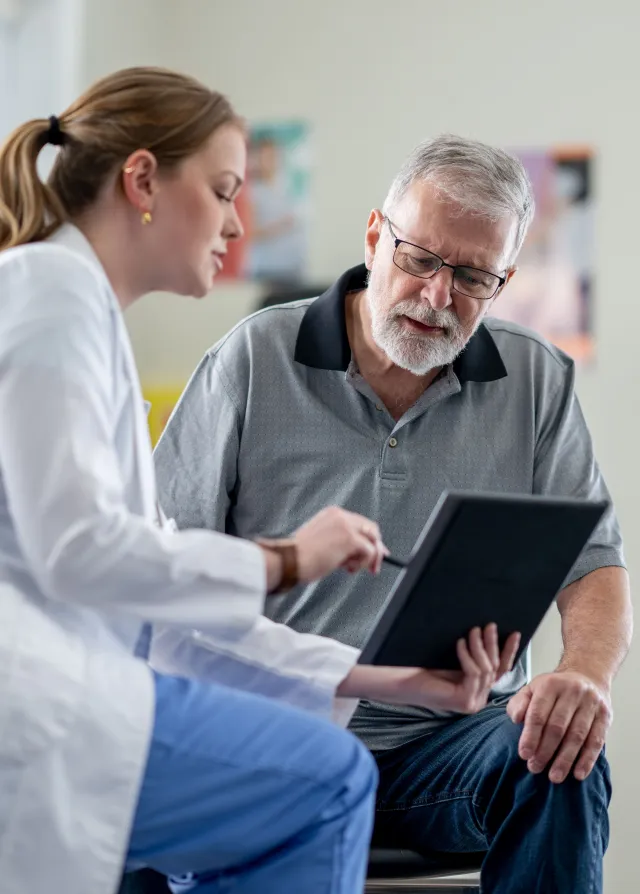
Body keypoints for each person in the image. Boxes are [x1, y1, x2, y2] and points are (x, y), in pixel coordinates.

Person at [0, 71, 519, 894]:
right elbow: (80, 554)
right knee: (327, 781)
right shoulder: (51, 298)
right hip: (44, 708)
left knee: (311, 784)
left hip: (91, 698)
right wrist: (284, 560)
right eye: (222, 190)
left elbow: (165, 603)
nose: (239, 223)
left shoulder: (79, 311)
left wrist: (384, 679)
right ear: (142, 182)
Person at [155, 134, 632, 894]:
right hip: (284, 736)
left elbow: (594, 564)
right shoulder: (252, 360)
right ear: (376, 237)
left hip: (450, 747)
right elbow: (164, 576)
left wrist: (583, 677)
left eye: (473, 276)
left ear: (503, 280)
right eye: (421, 259)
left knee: (564, 755)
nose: (439, 296)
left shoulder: (535, 379)